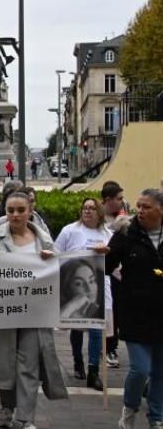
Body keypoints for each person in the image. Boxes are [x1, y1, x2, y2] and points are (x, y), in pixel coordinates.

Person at [0, 191, 67, 429]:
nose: (15, 215)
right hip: (3, 313)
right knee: (4, 364)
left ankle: (25, 418)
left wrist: (52, 259)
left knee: (29, 366)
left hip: (35, 314)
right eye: (10, 211)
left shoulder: (44, 240)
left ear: (30, 211)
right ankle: (7, 407)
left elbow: (59, 270)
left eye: (20, 210)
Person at [106, 189, 163, 429]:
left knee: (159, 372)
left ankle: (157, 417)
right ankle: (129, 409)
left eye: (147, 207)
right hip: (134, 313)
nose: (140, 211)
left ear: (161, 210)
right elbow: (107, 265)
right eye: (138, 206)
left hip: (161, 315)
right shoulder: (126, 233)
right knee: (140, 369)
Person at [54, 198, 111, 391]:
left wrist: (107, 252)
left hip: (98, 290)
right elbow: (56, 252)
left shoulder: (106, 233)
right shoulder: (70, 231)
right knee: (77, 327)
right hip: (74, 288)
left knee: (96, 329)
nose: (87, 211)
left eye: (92, 208)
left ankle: (93, 370)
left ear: (99, 212)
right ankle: (78, 361)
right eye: (85, 208)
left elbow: (115, 260)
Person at [101, 181, 127, 369]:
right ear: (108, 200)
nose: (122, 202)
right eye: (119, 199)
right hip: (103, 273)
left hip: (119, 276)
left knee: (115, 311)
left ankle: (112, 346)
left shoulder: (124, 220)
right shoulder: (99, 220)